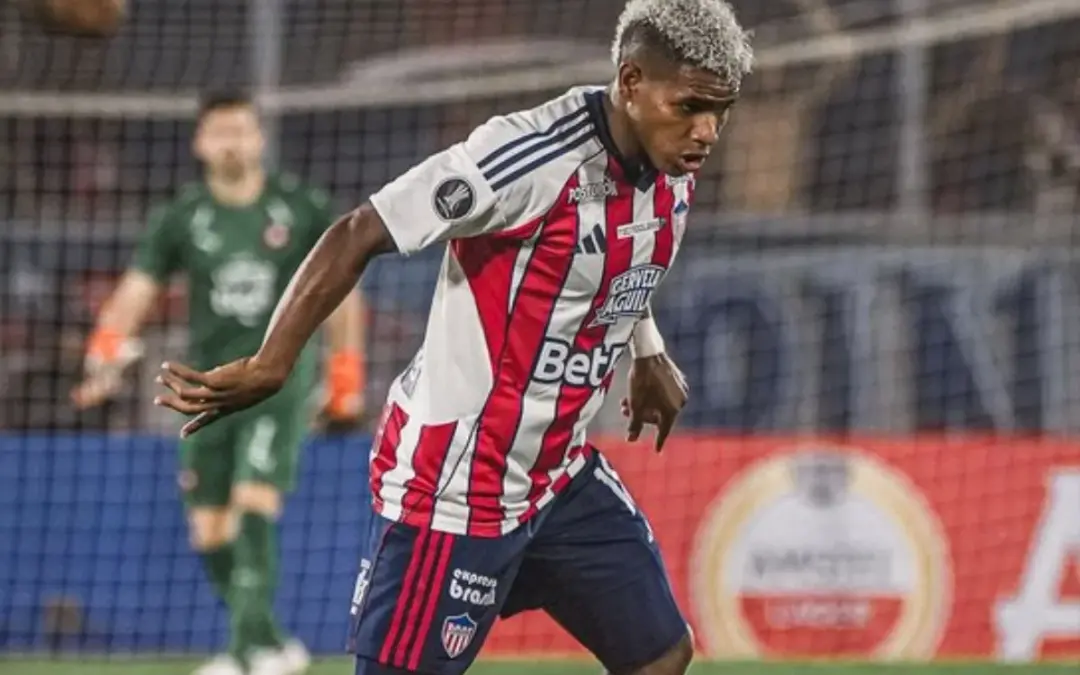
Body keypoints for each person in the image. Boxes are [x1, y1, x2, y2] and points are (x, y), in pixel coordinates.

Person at [154, 1, 752, 673]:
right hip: (455, 479)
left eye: (721, 111)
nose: (707, 131)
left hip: (556, 475)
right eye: (691, 106)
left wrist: (647, 349)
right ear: (633, 81)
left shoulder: (671, 163)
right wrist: (273, 361)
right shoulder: (524, 158)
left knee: (659, 652)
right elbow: (359, 230)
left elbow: (614, 255)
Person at [73, 90, 368, 675]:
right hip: (207, 384)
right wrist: (103, 357)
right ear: (200, 144)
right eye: (220, 132)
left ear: (260, 137)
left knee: (253, 500)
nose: (232, 142)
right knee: (209, 530)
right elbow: (135, 292)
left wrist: (344, 376)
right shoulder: (181, 217)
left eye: (242, 130)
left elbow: (343, 292)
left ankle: (239, 658)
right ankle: (272, 644)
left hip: (277, 380)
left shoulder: (300, 206)